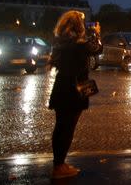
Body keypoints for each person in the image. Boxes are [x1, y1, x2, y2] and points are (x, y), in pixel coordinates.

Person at [48, 11, 102, 179]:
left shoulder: (59, 42)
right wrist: (98, 33)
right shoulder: (79, 44)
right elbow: (97, 49)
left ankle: (59, 163)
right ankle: (59, 167)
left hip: (60, 86)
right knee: (68, 128)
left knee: (60, 127)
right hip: (74, 89)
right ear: (79, 26)